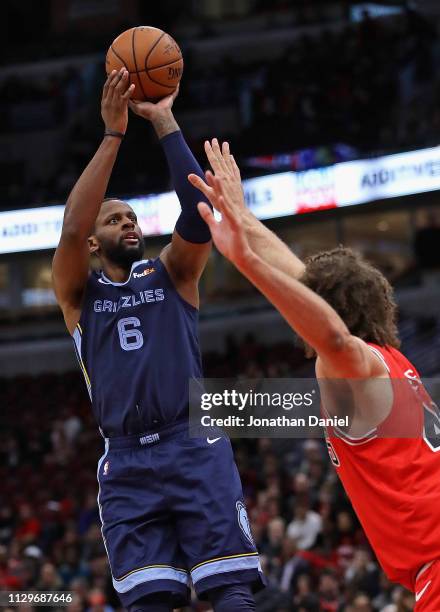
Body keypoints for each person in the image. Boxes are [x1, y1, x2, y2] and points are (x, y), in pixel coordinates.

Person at [191, 138, 440, 612]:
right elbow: (308, 283)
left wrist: (247, 263)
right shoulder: (393, 359)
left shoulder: (357, 368)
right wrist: (241, 217)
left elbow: (331, 334)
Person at [52, 69, 264, 612]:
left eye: (132, 217)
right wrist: (113, 134)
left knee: (230, 590)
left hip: (191, 441)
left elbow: (199, 217)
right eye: (115, 219)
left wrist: (165, 122)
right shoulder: (79, 293)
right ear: (96, 245)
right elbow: (72, 230)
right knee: (149, 602)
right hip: (125, 461)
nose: (129, 224)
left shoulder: (173, 273)